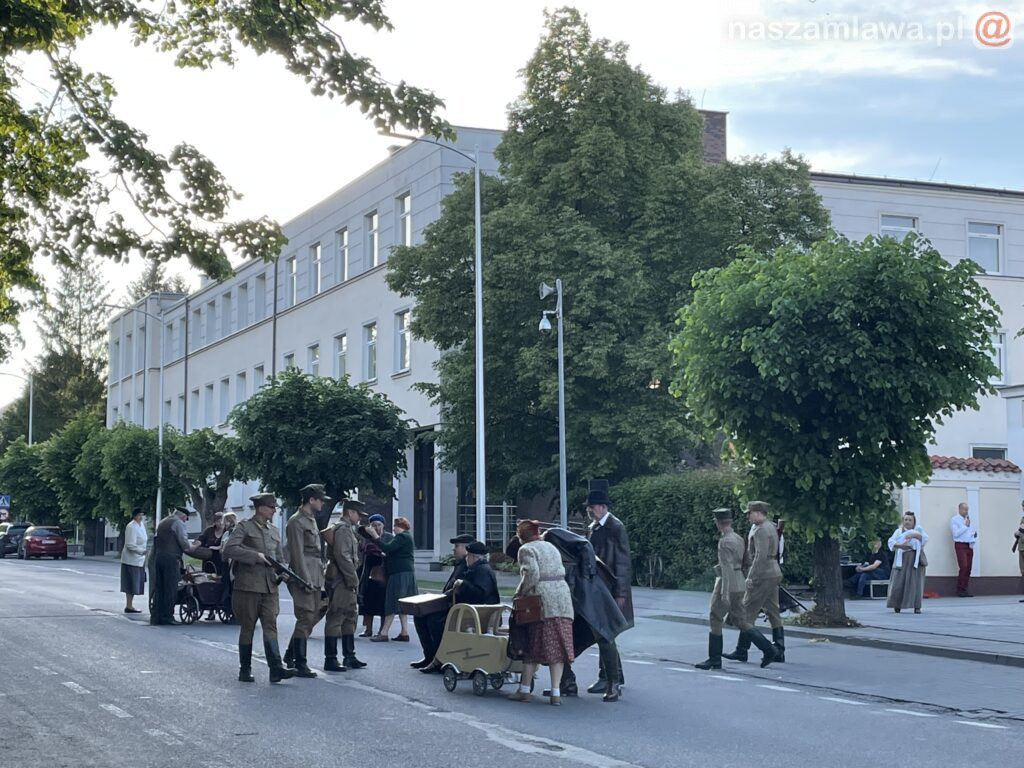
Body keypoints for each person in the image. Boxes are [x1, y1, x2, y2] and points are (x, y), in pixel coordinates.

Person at [539, 527, 629, 698]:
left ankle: (613, 683)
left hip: (586, 591)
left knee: (603, 634)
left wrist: (586, 576)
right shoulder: (544, 549)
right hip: (573, 593)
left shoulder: (551, 535)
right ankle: (567, 682)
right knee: (558, 638)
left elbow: (584, 543)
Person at [223, 494, 295, 684]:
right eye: (271, 507)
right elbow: (229, 550)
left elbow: (279, 558)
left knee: (271, 626)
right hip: (248, 586)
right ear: (261, 508)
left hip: (270, 586)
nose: (274, 511)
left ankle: (276, 668)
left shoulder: (273, 530)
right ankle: (245, 670)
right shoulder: (244, 527)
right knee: (248, 628)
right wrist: (254, 556)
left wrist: (284, 571)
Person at [507, 520, 574, 706]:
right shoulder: (551, 547)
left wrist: (519, 593)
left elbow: (531, 575)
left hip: (542, 602)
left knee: (531, 645)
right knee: (558, 647)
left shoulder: (526, 550)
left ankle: (525, 690)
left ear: (521, 538)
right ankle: (556, 692)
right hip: (562, 600)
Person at [585, 481, 632, 700]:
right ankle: (610, 676)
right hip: (600, 586)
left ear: (603, 507)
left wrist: (621, 592)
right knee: (604, 632)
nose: (590, 510)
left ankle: (612, 679)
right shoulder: (594, 527)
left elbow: (622, 561)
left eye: (592, 506)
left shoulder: (615, 527)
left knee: (606, 632)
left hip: (611, 587)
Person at [723, 501, 782, 668]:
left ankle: (755, 650)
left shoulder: (762, 529)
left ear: (757, 512)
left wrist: (750, 577)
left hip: (762, 576)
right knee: (772, 611)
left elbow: (760, 556)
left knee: (745, 613)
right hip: (773, 573)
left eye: (749, 513)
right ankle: (780, 649)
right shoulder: (769, 526)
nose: (747, 517)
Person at [283, 483, 329, 678]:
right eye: (321, 500)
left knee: (315, 613)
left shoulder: (310, 519)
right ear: (311, 500)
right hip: (304, 574)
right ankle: (300, 663)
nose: (323, 504)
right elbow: (297, 553)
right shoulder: (296, 521)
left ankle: (291, 653)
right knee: (305, 616)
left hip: (316, 572)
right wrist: (304, 578)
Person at [411, 533, 472, 670]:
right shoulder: (460, 565)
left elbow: (460, 590)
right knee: (420, 615)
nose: (454, 549)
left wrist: (440, 597)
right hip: (452, 605)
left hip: (459, 609)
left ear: (467, 549)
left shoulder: (467, 566)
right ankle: (430, 656)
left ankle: (438, 658)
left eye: (457, 546)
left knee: (434, 620)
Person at [696, 508, 745, 670]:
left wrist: (724, 593)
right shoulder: (738, 538)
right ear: (730, 521)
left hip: (727, 582)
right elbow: (747, 561)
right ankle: (768, 648)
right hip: (740, 581)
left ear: (717, 523)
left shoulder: (724, 542)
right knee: (741, 620)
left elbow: (726, 569)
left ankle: (714, 659)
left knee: (715, 617)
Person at [322, 499, 368, 672]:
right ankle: (331, 659)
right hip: (341, 579)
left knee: (350, 616)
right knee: (336, 617)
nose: (360, 518)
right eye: (358, 514)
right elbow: (343, 556)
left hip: (345, 578)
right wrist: (353, 580)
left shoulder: (348, 529)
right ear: (350, 513)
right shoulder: (342, 529)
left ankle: (349, 656)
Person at [365, 516, 417, 642]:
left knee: (392, 601)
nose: (393, 529)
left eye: (395, 526)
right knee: (402, 603)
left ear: (400, 527)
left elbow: (387, 548)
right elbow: (394, 552)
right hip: (406, 573)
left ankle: (383, 633)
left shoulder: (402, 537)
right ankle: (404, 632)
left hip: (399, 573)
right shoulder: (407, 537)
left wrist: (375, 537)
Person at [150, 506, 196, 626]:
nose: (185, 521)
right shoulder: (178, 523)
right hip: (171, 558)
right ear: (183, 516)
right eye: (186, 518)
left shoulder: (163, 522)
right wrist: (193, 547)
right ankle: (167, 616)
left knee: (159, 588)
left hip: (159, 557)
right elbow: (184, 543)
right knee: (170, 588)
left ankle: (156, 616)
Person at [887, 512, 928, 613]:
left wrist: (914, 535)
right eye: (906, 520)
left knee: (916, 583)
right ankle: (897, 605)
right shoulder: (898, 531)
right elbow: (891, 542)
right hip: (902, 559)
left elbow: (925, 539)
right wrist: (900, 545)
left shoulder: (918, 530)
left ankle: (917, 606)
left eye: (910, 520)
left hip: (915, 560)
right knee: (898, 582)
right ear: (903, 521)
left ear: (914, 522)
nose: (907, 522)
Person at [358, 515, 387, 636]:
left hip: (384, 576)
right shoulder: (365, 538)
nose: (376, 527)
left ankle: (382, 629)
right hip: (368, 574)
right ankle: (367, 628)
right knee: (367, 603)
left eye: (379, 525)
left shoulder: (388, 538)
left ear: (383, 526)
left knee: (383, 604)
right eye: (374, 525)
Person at [198, 511, 227, 619]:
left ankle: (219, 604)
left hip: (220, 561)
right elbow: (200, 540)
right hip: (209, 561)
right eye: (218, 521)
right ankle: (210, 611)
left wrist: (216, 548)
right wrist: (194, 546)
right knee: (208, 582)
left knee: (219, 582)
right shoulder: (209, 531)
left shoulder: (226, 531)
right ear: (214, 522)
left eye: (222, 521)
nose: (220, 524)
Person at [120, 508, 148, 614]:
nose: (141, 517)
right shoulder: (131, 526)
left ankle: (130, 605)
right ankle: (129, 605)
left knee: (136, 583)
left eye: (142, 515)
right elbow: (130, 544)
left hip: (139, 559)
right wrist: (141, 551)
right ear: (134, 516)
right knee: (131, 583)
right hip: (131, 559)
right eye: (139, 515)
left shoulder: (141, 526)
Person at [950, 503, 977, 597]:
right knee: (964, 566)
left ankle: (965, 589)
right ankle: (960, 589)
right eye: (964, 509)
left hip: (969, 545)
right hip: (960, 545)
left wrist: (973, 534)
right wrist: (965, 526)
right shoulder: (954, 520)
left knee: (969, 568)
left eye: (967, 510)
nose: (966, 511)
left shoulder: (968, 519)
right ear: (959, 509)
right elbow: (956, 534)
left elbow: (970, 531)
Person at [1014, 502, 1024, 603]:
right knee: (1023, 571)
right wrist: (1016, 534)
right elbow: (1021, 531)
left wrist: (1021, 535)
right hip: (1021, 547)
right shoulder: (1023, 519)